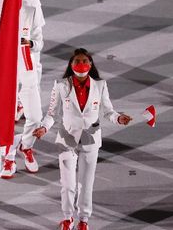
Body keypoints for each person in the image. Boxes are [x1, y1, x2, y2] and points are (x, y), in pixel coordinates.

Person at [32, 48, 132, 230]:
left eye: (84, 61)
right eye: (77, 61)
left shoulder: (100, 85)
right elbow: (51, 114)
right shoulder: (61, 85)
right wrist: (44, 128)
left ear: (91, 64)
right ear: (71, 65)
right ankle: (68, 218)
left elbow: (108, 111)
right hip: (66, 139)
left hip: (91, 140)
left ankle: (84, 220)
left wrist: (118, 118)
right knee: (68, 184)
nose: (81, 64)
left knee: (86, 183)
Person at [0, 2, 45, 178]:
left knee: (35, 116)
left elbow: (39, 44)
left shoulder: (31, 11)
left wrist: (29, 43)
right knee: (6, 117)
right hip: (4, 71)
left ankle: (25, 146)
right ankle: (8, 156)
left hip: (27, 71)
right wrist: (0, 43)